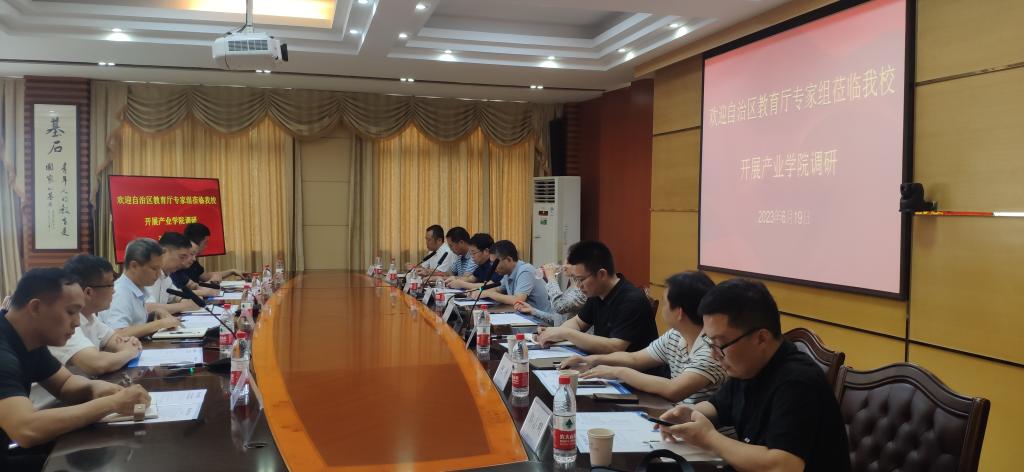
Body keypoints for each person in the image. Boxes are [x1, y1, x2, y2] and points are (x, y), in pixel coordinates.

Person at [658, 279, 851, 472]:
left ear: (761, 338)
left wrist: (708, 437)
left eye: (720, 344)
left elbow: (784, 465)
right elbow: (717, 406)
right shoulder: (748, 366)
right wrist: (689, 414)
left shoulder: (798, 381)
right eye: (710, 343)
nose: (714, 355)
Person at [0, 269, 151, 469]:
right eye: (71, 312)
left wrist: (100, 389)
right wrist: (112, 403)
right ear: (36, 307)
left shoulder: (27, 337)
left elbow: (64, 384)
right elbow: (26, 430)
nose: (77, 322)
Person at [559, 271, 726, 405]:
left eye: (665, 303)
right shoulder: (675, 335)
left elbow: (673, 390)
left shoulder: (711, 350)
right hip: (677, 419)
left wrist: (618, 371)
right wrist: (590, 360)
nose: (663, 308)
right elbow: (634, 358)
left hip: (702, 429)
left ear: (679, 312)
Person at [535, 241, 659, 354]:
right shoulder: (597, 292)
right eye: (576, 279)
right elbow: (578, 322)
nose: (579, 286)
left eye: (581, 279)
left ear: (601, 274)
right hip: (605, 364)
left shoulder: (632, 300)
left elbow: (615, 347)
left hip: (632, 370)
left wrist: (565, 333)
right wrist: (555, 334)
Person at [49, 255, 142, 376]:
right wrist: (130, 353)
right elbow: (97, 364)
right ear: (88, 292)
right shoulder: (63, 322)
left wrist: (129, 347)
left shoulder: (90, 317)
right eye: (110, 285)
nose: (114, 291)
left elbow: (117, 341)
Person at [100, 238, 182, 338]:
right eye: (154, 268)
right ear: (134, 266)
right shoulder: (120, 293)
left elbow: (135, 322)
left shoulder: (138, 288)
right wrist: (160, 324)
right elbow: (118, 333)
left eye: (159, 268)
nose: (159, 274)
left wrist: (154, 314)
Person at [479, 240, 556, 323]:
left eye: (495, 263)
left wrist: (488, 293)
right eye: (491, 264)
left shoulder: (526, 270)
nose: (493, 268)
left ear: (508, 259)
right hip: (526, 318)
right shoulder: (508, 273)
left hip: (542, 321)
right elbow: (498, 289)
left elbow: (518, 300)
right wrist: (480, 292)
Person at [145, 232, 201, 315]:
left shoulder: (166, 275)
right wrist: (184, 306)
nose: (183, 262)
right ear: (164, 252)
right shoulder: (145, 272)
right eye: (182, 257)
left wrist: (190, 302)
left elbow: (175, 297)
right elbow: (148, 308)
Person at [513, 262, 587, 324]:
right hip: (561, 335)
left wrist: (551, 277)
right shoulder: (572, 287)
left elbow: (559, 306)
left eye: (568, 263)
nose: (564, 265)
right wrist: (533, 311)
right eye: (565, 261)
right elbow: (559, 320)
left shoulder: (583, 290)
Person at [177, 223, 242, 284]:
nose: (206, 246)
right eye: (205, 242)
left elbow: (204, 277)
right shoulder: (178, 267)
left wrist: (231, 271)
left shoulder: (192, 260)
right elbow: (188, 289)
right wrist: (211, 282)